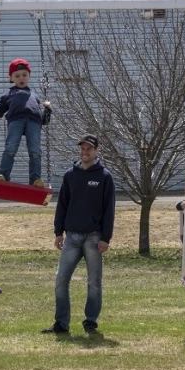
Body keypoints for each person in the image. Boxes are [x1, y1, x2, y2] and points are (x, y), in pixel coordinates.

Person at [42, 134, 116, 335]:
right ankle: (61, 323)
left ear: (96, 151)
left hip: (94, 237)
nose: (85, 152)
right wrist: (58, 232)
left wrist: (105, 238)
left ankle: (90, 321)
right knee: (60, 279)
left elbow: (109, 210)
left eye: (89, 149)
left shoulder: (104, 177)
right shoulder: (70, 175)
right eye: (82, 149)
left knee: (93, 283)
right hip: (72, 237)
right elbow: (62, 205)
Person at [0, 58, 52, 186]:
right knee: (10, 148)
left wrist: (48, 109)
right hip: (15, 120)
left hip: (34, 122)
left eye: (24, 75)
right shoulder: (8, 93)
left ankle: (35, 180)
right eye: (17, 76)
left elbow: (44, 120)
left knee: (35, 151)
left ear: (29, 76)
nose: (21, 78)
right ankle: (3, 175)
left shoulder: (35, 95)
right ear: (11, 78)